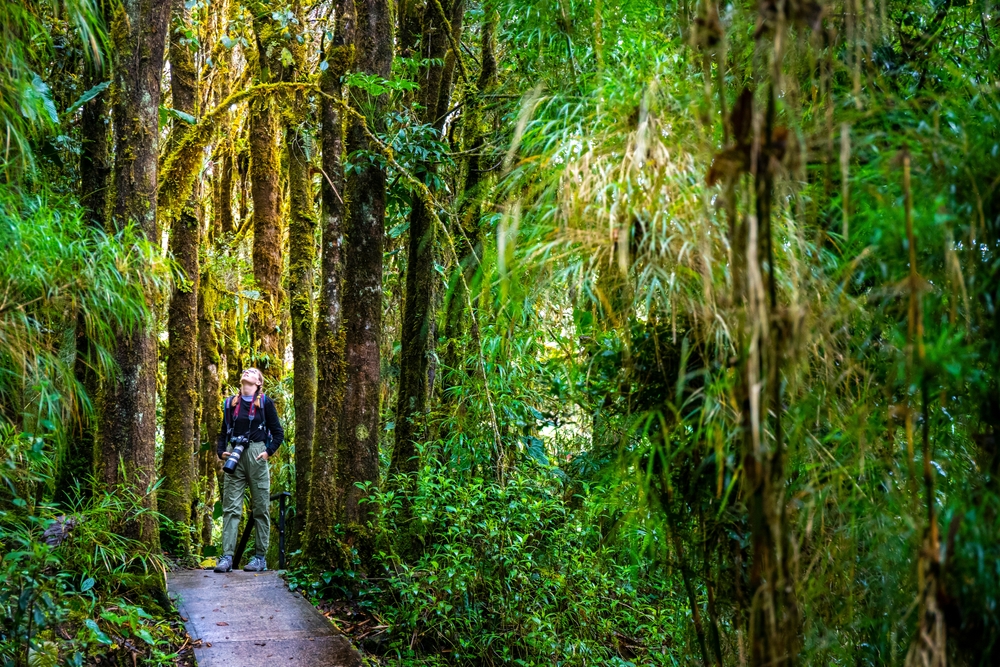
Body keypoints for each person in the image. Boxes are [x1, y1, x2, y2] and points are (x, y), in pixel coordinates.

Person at [213, 367, 284, 573]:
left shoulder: (264, 403)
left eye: (252, 372)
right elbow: (223, 431)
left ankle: (260, 558)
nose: (246, 372)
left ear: (258, 382)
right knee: (230, 508)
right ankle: (226, 557)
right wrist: (221, 451)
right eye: (245, 370)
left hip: (256, 453)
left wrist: (267, 452)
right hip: (235, 454)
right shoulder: (230, 403)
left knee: (260, 507)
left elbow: (278, 433)